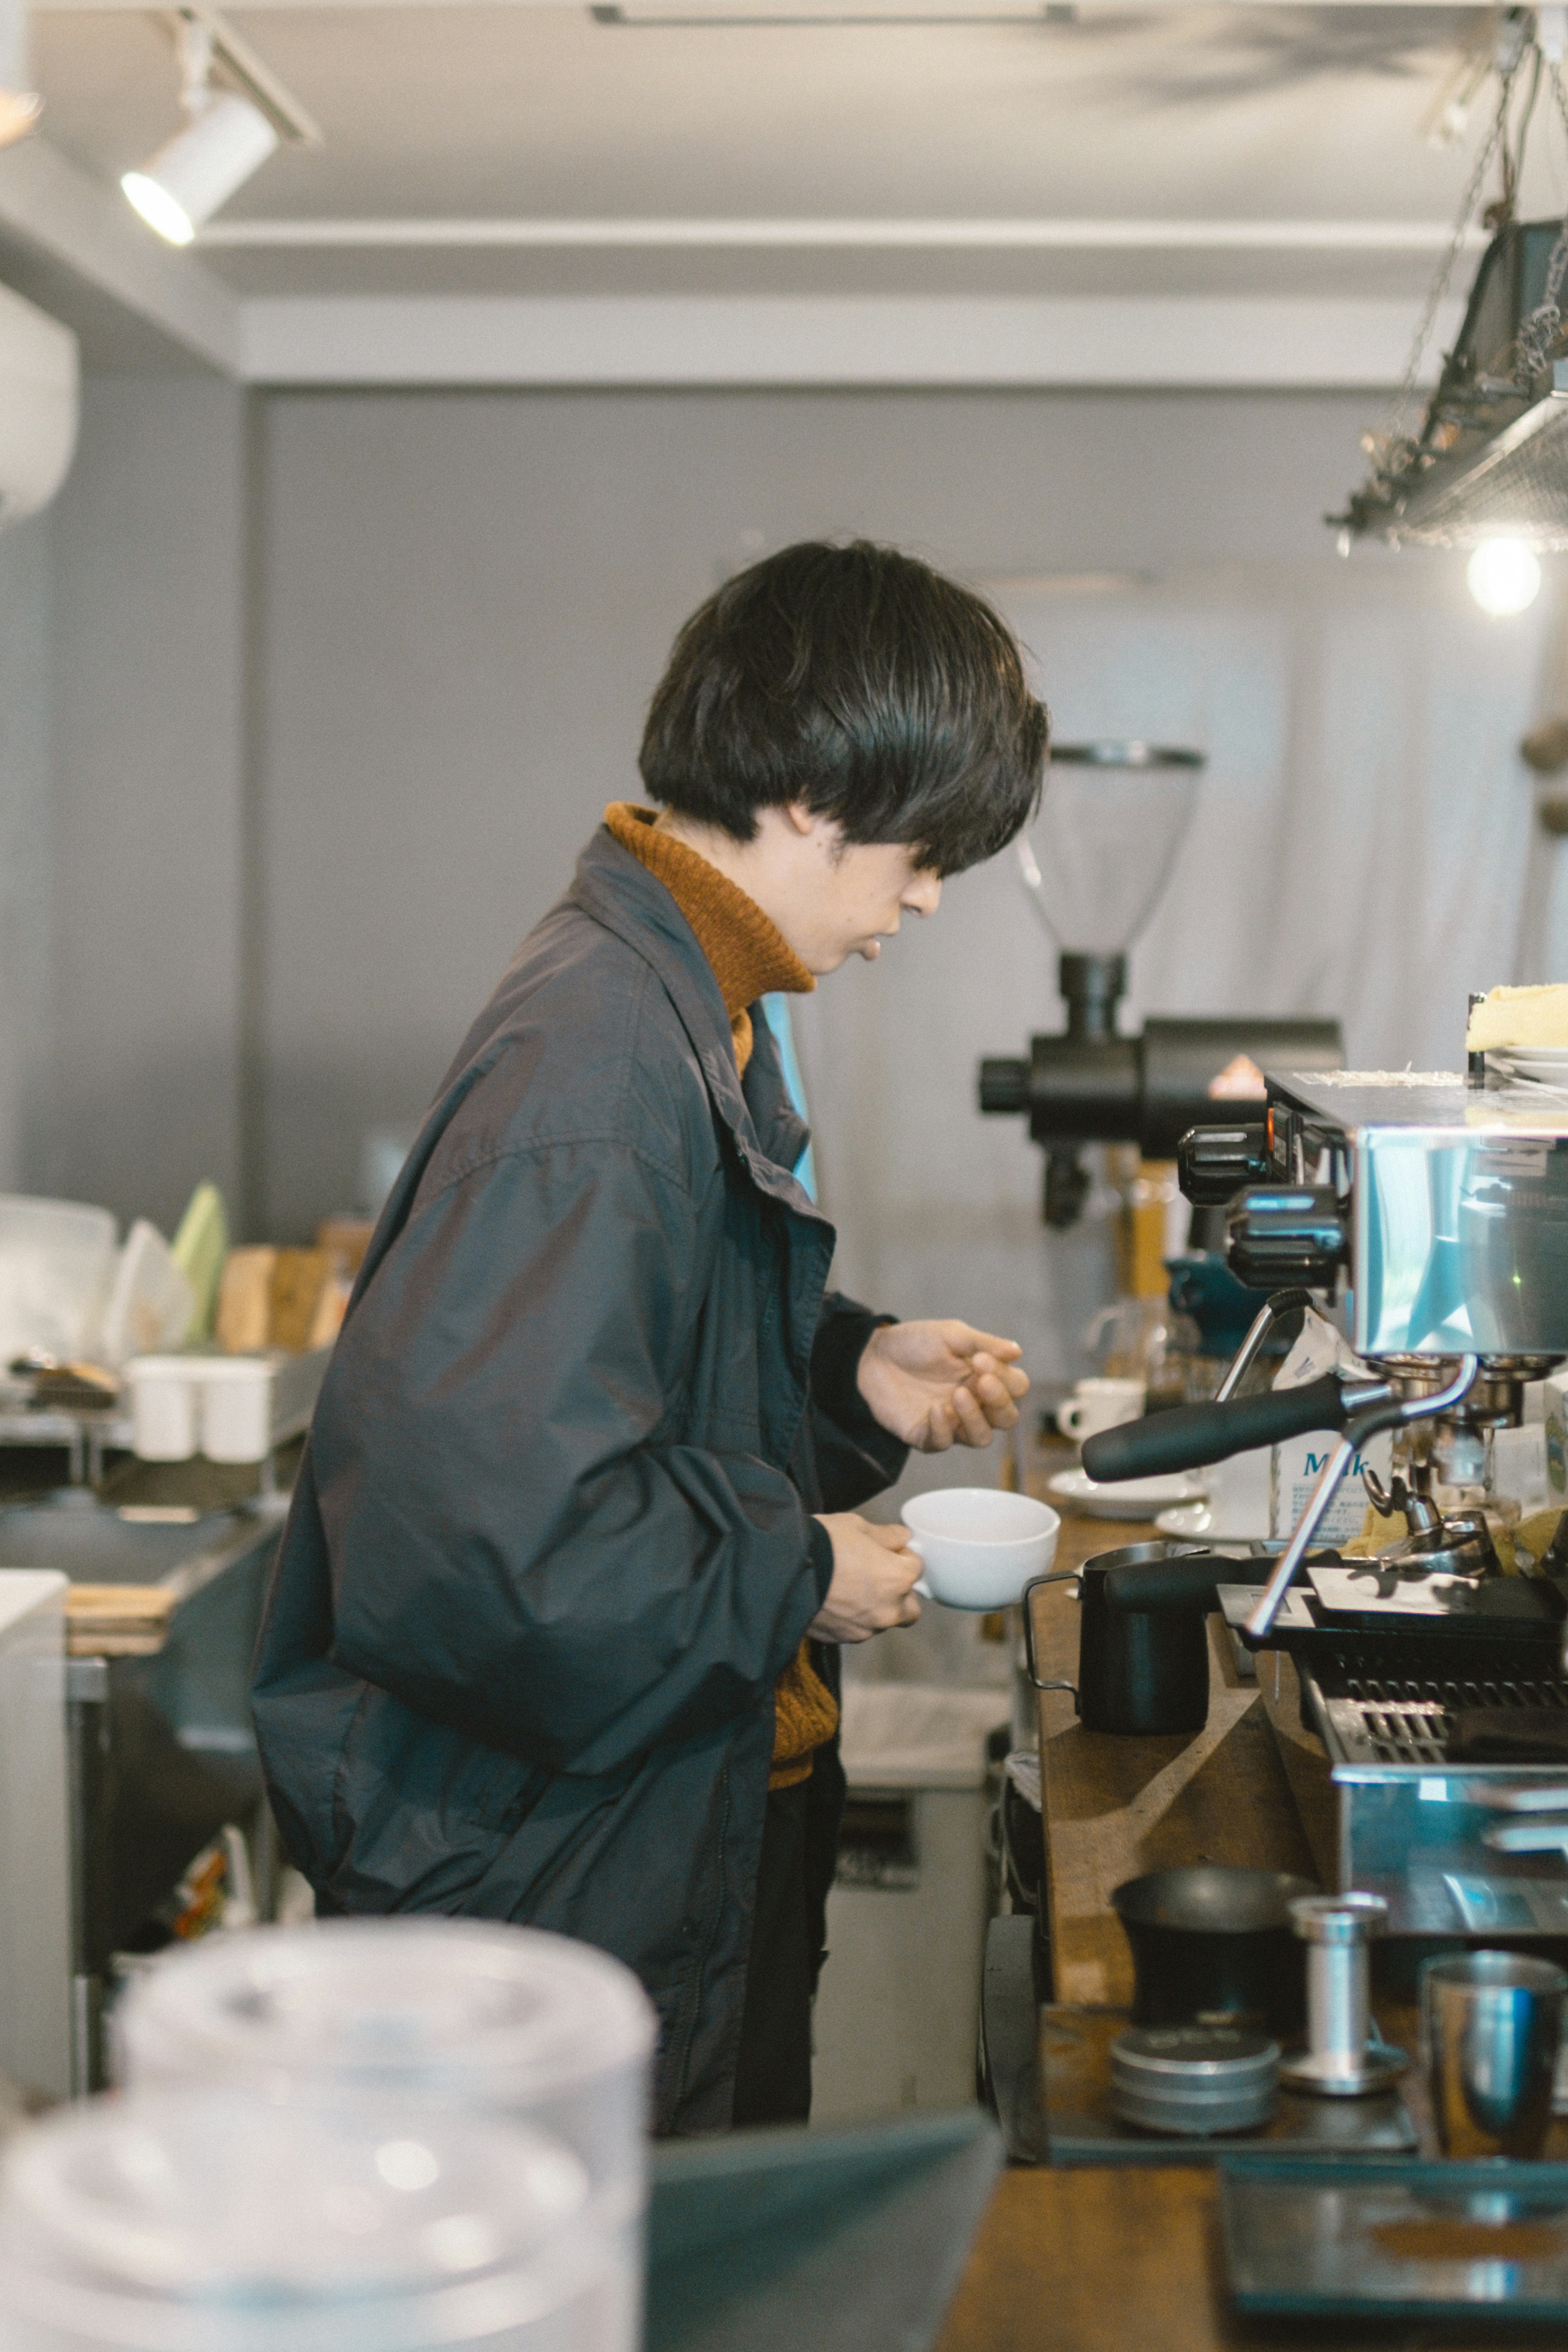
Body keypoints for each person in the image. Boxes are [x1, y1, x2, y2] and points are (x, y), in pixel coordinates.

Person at [252, 539, 1048, 2134]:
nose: (928, 897)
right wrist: (802, 1569)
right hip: (557, 1891)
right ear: (818, 799)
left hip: (642, 1846)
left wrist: (847, 1367)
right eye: (923, 849)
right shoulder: (598, 1060)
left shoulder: (692, 1003)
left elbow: (628, 1374)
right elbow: (481, 1551)